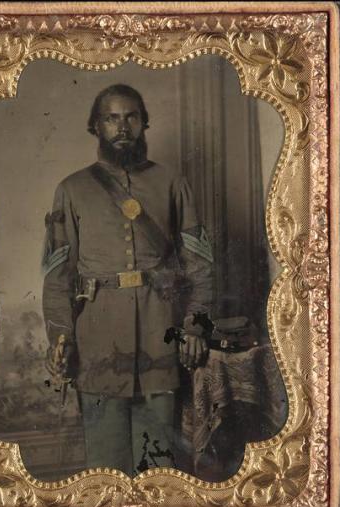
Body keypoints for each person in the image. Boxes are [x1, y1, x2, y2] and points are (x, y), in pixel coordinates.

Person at [41, 84, 215, 476]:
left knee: (158, 469)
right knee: (105, 471)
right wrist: (60, 337)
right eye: (112, 118)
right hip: (98, 344)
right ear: (95, 127)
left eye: (131, 117)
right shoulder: (71, 190)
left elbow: (200, 266)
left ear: (144, 123)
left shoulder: (173, 184)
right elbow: (56, 279)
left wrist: (194, 325)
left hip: (160, 338)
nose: (123, 127)